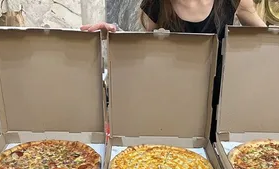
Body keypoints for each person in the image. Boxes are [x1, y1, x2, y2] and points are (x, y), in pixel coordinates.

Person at [81, 0, 267, 140]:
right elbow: (146, 47)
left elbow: (266, 39)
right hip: (169, 98)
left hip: (213, 100)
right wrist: (114, 35)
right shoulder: (157, 2)